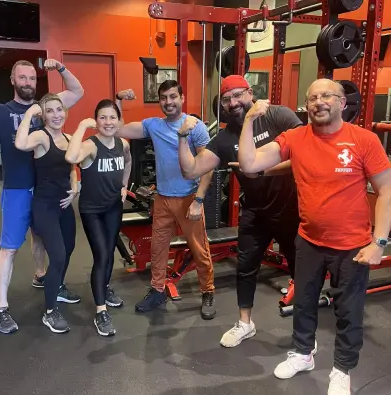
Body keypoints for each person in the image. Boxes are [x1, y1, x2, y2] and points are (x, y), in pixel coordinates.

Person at [237, 78, 391, 395]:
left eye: (326, 96)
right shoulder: (295, 138)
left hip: (353, 246)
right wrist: (250, 118)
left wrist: (379, 242)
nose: (318, 102)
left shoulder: (364, 140)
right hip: (308, 240)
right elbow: (249, 164)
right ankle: (303, 354)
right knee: (304, 304)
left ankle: (342, 369)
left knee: (348, 313)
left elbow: (386, 190)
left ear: (342, 103)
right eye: (312, 97)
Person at [0, 59, 84, 334]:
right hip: (19, 188)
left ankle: (44, 278)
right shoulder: (0, 112)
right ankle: (2, 308)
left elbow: (77, 91)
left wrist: (60, 68)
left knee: (44, 239)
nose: (28, 83)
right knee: (10, 248)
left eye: (32, 78)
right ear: (13, 80)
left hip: (46, 191)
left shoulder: (48, 107)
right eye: (22, 78)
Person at [178, 75, 303, 347]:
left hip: (289, 209)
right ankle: (245, 323)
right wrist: (182, 135)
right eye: (226, 99)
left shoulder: (277, 116)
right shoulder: (224, 138)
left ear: (250, 93)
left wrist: (262, 169)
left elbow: (305, 152)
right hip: (255, 212)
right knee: (245, 269)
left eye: (237, 95)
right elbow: (191, 169)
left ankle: (304, 334)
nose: (233, 103)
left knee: (300, 270)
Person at [116, 80, 217, 319]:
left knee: (199, 249)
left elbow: (208, 166)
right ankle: (158, 289)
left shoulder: (195, 126)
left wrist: (199, 200)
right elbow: (118, 129)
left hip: (188, 198)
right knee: (158, 248)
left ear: (182, 98)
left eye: (173, 96)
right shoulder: (153, 125)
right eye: (164, 98)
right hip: (162, 198)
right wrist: (119, 99)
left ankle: (208, 291)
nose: (168, 102)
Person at [65, 93, 133, 336]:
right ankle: (100, 311)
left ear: (118, 120)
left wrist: (125, 185)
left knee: (110, 254)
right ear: (96, 120)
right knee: (102, 255)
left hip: (113, 206)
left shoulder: (122, 144)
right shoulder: (90, 146)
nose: (108, 122)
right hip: (92, 210)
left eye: (112, 117)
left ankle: (104, 287)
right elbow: (71, 157)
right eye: (102, 117)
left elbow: (128, 161)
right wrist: (82, 125)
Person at [15, 93, 78, 333]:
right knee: (59, 256)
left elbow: (72, 169)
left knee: (69, 249)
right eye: (49, 111)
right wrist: (30, 113)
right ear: (43, 115)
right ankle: (50, 312)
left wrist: (75, 188)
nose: (56, 115)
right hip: (45, 206)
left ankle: (57, 286)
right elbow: (20, 144)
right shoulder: (41, 136)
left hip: (64, 206)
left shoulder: (70, 138)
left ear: (65, 112)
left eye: (59, 110)